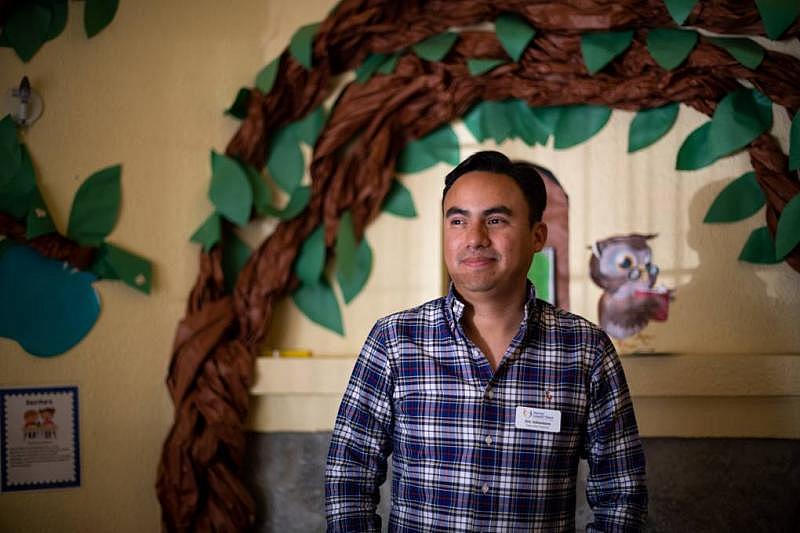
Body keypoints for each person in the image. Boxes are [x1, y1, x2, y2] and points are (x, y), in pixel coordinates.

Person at [325, 151, 647, 532]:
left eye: (495, 220)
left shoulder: (586, 351)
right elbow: (349, 476)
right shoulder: (395, 341)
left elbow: (622, 493)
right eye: (458, 221)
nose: (474, 238)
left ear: (536, 236)